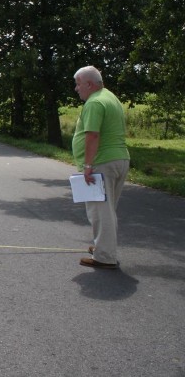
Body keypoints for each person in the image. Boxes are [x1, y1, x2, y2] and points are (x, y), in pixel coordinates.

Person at [72, 66, 130, 270]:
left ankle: (105, 256)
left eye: (78, 84)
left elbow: (92, 135)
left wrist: (88, 165)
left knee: (100, 211)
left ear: (89, 84)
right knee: (108, 209)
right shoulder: (110, 97)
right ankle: (103, 247)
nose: (77, 89)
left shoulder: (95, 102)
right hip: (119, 159)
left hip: (102, 162)